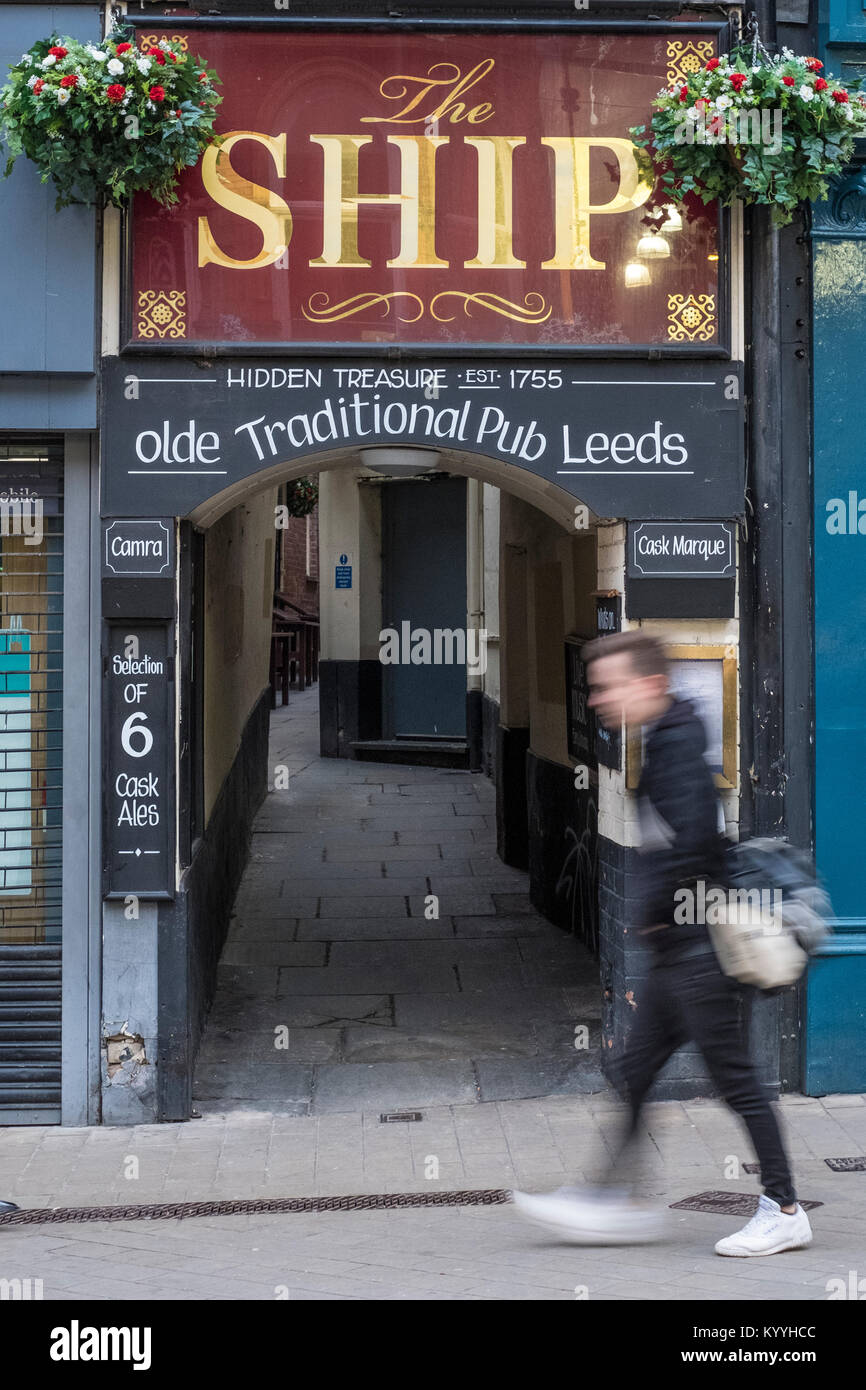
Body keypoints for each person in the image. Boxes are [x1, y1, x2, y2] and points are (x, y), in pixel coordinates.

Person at [513, 630, 812, 1257]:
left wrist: (658, 909)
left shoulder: (675, 747)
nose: (597, 699)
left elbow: (699, 839)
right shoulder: (669, 737)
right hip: (681, 952)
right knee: (637, 1070)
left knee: (737, 1084)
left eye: (608, 686)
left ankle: (783, 1207)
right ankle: (615, 1202)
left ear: (649, 684)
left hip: (701, 953)